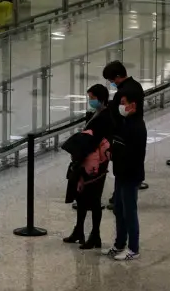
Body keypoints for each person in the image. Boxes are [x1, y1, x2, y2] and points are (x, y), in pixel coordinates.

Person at [62, 85, 113, 248]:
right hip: (87, 161)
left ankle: (95, 234)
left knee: (94, 199)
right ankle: (79, 230)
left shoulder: (106, 117)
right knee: (82, 197)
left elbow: (95, 140)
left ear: (101, 98)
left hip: (96, 164)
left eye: (92, 97)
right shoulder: (96, 114)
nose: (90, 101)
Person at [107, 85, 147, 262]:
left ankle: (133, 247)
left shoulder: (137, 126)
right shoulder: (126, 123)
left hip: (130, 174)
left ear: (133, 105)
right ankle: (119, 243)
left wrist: (115, 153)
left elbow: (133, 153)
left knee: (129, 211)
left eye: (123, 103)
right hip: (121, 172)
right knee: (119, 208)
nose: (121, 107)